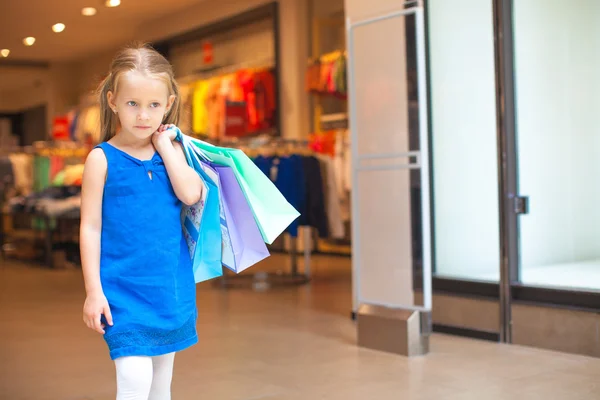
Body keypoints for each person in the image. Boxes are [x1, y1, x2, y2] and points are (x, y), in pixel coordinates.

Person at [80, 43, 203, 400]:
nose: (143, 115)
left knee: (161, 388)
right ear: (113, 100)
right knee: (134, 382)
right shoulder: (101, 160)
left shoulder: (174, 152)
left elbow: (191, 194)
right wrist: (93, 292)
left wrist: (166, 147)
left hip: (169, 288)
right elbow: (90, 228)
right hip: (122, 291)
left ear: (168, 104)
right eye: (133, 104)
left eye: (154, 105)